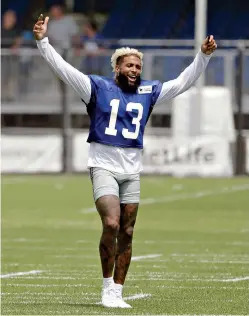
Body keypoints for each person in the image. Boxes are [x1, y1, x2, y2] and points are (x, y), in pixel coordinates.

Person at [33, 16, 217, 308]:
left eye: (138, 67)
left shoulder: (149, 92)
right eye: (129, 65)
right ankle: (107, 287)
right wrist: (43, 42)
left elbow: (182, 83)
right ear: (117, 67)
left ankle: (118, 291)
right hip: (103, 164)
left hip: (132, 170)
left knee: (128, 232)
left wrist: (203, 57)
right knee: (111, 222)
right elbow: (64, 70)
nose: (135, 70)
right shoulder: (96, 87)